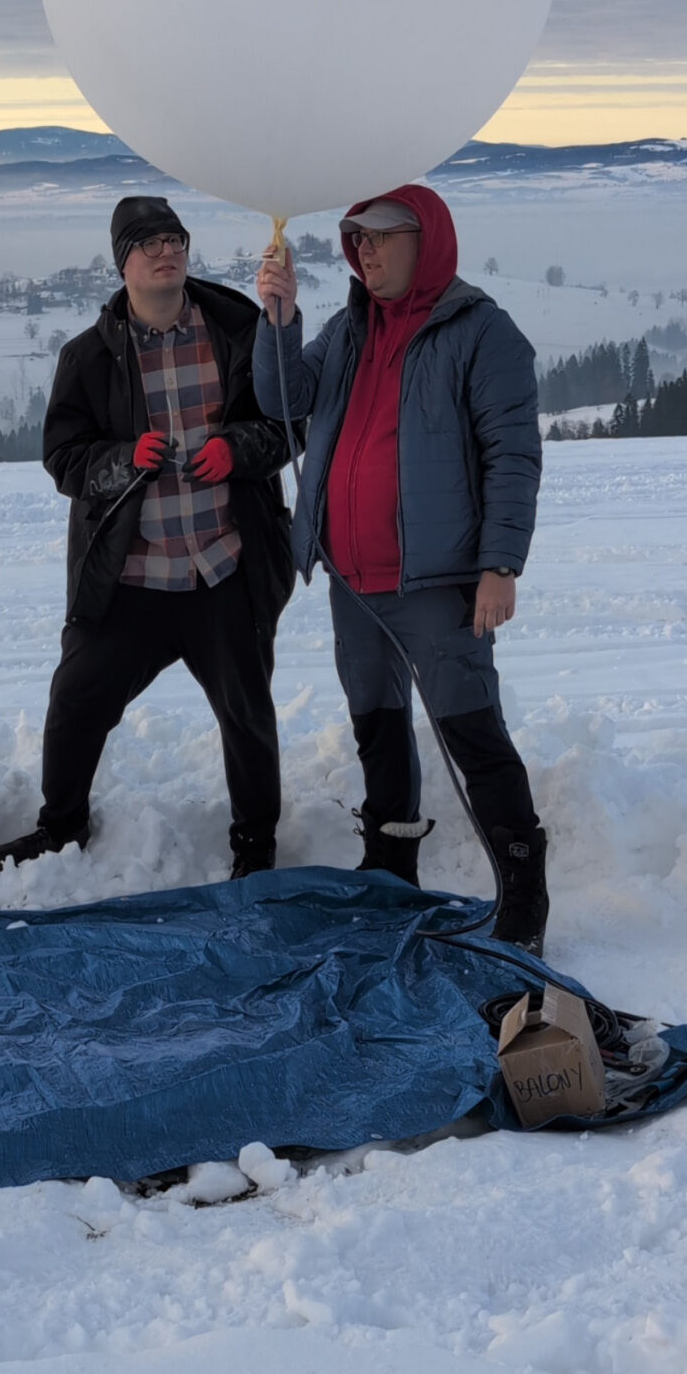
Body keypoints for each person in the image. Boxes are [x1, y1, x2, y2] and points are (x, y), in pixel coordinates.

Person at [253, 183, 548, 944]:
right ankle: (391, 868)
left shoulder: (484, 333)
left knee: (472, 736)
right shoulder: (350, 327)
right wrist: (277, 320)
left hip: (437, 584)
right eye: (357, 238)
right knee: (377, 730)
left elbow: (511, 457)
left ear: (428, 240)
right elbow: (281, 397)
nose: (366, 251)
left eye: (381, 236)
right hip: (351, 580)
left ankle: (522, 896)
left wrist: (500, 566)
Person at [0, 195, 296, 880]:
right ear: (121, 261)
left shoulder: (238, 327)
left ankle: (255, 847)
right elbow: (64, 456)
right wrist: (121, 460)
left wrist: (237, 449)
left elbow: (285, 424)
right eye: (146, 243)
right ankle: (60, 827)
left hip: (223, 567)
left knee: (247, 717)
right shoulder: (88, 356)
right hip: (132, 579)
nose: (164, 251)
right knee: (75, 702)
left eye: (173, 238)